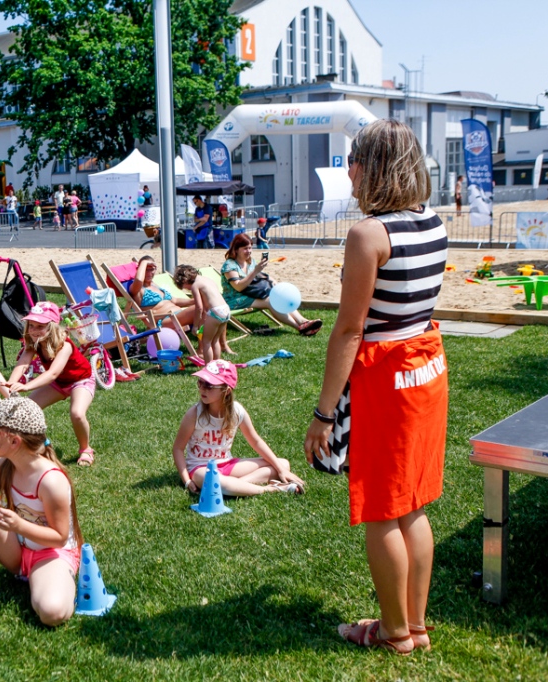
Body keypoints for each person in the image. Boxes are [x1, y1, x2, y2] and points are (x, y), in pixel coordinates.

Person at [304, 119, 449, 655]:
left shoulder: (369, 235)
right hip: (426, 369)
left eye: (352, 161)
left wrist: (323, 415)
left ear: (369, 168)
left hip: (386, 380)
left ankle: (393, 633)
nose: (349, 172)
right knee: (413, 505)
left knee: (382, 509)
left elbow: (349, 329)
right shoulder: (434, 223)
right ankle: (416, 625)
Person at [0, 396, 82, 625]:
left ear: (14, 441)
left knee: (52, 613)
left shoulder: (51, 481)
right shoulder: (4, 465)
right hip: (18, 550)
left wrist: (19, 525)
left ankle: (51, 580)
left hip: (51, 554)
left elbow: (59, 538)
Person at [173, 360, 305, 496]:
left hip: (227, 464)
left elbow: (256, 441)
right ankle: (272, 489)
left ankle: (236, 485)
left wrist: (281, 469)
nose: (202, 388)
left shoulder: (237, 411)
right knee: (213, 480)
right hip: (200, 468)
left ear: (226, 391)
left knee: (283, 464)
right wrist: (187, 480)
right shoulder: (195, 414)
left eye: (209, 385)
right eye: (200, 382)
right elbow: (178, 448)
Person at [4, 302, 97, 466]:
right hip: (60, 382)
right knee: (26, 410)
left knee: (77, 413)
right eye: (31, 325)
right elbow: (23, 363)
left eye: (40, 326)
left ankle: (85, 449)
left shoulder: (65, 345)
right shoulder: (34, 343)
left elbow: (52, 373)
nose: (34, 330)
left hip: (80, 380)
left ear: (52, 327)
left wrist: (27, 386)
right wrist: (11, 382)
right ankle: (39, 445)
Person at [220, 233, 323, 335]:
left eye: (250, 248)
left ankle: (303, 321)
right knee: (271, 301)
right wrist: (255, 271)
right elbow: (238, 287)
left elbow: (260, 275)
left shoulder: (250, 262)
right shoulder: (230, 265)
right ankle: (300, 327)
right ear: (236, 249)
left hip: (249, 295)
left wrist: (273, 282)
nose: (249, 251)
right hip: (234, 299)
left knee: (280, 296)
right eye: (245, 248)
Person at [173, 264, 228, 363]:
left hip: (216, 311)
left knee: (206, 342)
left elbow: (199, 307)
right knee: (215, 340)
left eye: (185, 288)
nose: (187, 290)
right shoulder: (207, 280)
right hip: (226, 310)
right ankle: (217, 365)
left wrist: (195, 326)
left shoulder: (195, 286)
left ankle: (208, 367)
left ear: (184, 281)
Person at [129, 256, 197, 331]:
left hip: (178, 315)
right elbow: (139, 280)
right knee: (197, 309)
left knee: (202, 305)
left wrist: (194, 301)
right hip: (165, 321)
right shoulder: (138, 289)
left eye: (152, 269)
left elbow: (175, 301)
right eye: (146, 269)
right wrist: (144, 262)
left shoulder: (155, 286)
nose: (149, 272)